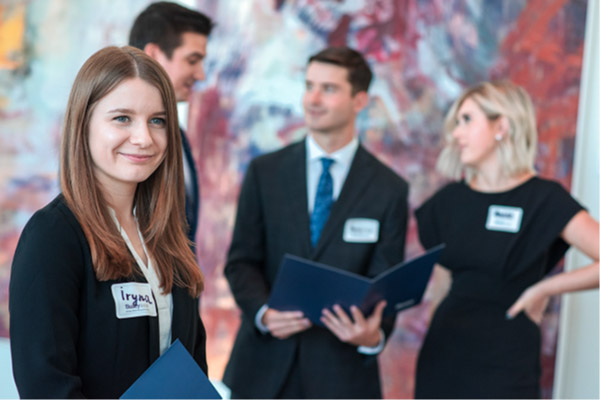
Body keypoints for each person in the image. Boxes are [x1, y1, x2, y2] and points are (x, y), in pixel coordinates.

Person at [9, 46, 208, 398]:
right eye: (122, 118)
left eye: (158, 121)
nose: (144, 138)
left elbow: (193, 370)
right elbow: (47, 387)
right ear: (83, 124)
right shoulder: (54, 237)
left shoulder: (170, 235)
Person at [223, 46, 409, 399]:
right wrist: (263, 312)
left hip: (342, 377)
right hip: (262, 369)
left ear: (359, 101)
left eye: (329, 88)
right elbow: (240, 261)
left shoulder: (390, 189)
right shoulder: (265, 172)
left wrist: (373, 336)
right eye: (309, 86)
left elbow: (384, 282)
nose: (313, 99)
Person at [414, 80, 599, 399]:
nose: (456, 134)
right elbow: (442, 284)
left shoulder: (545, 199)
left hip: (507, 359)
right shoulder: (448, 201)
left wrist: (544, 288)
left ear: (501, 126)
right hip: (443, 355)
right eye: (456, 123)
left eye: (467, 120)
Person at [129, 1, 214, 247]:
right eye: (192, 60)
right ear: (154, 55)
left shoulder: (179, 136)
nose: (201, 75)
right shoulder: (109, 141)